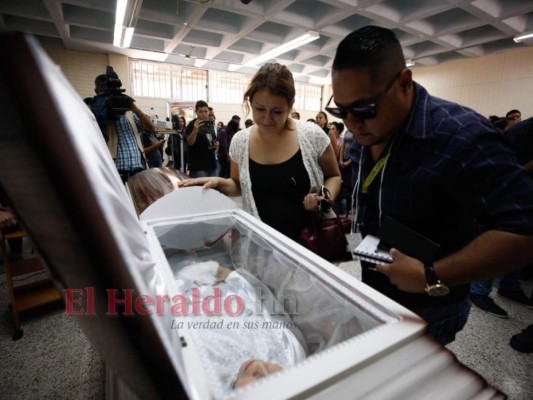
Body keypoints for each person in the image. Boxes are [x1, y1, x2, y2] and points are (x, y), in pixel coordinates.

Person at [329, 25, 533, 345]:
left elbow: (524, 229)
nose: (352, 124)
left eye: (364, 109)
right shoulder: (362, 134)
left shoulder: (462, 136)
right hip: (374, 283)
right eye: (341, 111)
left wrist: (431, 275)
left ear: (404, 83)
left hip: (430, 305)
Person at [179, 63, 341, 241]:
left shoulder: (312, 136)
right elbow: (237, 184)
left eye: (277, 111)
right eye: (260, 109)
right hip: (260, 244)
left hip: (310, 243)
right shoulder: (240, 142)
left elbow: (334, 176)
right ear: (250, 102)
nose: (266, 118)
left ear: (290, 105)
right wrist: (218, 183)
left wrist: (323, 198)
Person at [171, 261, 306, 391]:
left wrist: (181, 283)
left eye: (261, 385)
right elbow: (268, 312)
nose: (260, 366)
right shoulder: (289, 357)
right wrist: (230, 276)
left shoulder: (200, 382)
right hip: (215, 280)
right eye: (277, 377)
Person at [91, 73, 156, 183]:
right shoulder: (96, 113)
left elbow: (151, 129)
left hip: (138, 172)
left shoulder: (130, 114)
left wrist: (136, 110)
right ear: (97, 92)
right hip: (114, 175)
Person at [184, 100, 219, 178]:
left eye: (205, 111)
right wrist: (195, 131)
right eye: (200, 111)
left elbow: (212, 142)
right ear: (196, 112)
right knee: (201, 189)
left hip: (211, 164)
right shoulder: (192, 124)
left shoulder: (210, 125)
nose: (203, 114)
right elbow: (189, 143)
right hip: (198, 166)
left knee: (213, 189)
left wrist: (215, 146)